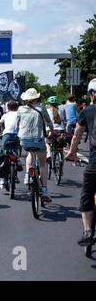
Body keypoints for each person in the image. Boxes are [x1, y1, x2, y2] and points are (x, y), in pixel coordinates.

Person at [65, 78, 96, 246]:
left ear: (92, 95)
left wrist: (72, 152)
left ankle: (87, 232)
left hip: (94, 164)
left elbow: (76, 135)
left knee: (86, 195)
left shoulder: (87, 111)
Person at [16, 88, 54, 201]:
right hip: (38, 139)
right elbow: (49, 123)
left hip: (24, 140)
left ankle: (28, 175)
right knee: (42, 164)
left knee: (29, 154)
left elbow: (17, 125)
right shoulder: (41, 108)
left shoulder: (20, 109)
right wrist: (52, 132)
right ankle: (44, 189)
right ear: (37, 98)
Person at [0, 101, 22, 189]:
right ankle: (17, 161)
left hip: (7, 135)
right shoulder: (19, 114)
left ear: (7, 108)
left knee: (3, 155)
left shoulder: (5, 115)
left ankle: (2, 180)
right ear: (16, 107)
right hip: (17, 135)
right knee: (15, 151)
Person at [45, 96, 65, 162]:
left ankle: (48, 154)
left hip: (50, 130)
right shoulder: (61, 110)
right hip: (60, 130)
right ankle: (61, 159)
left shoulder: (46, 110)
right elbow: (63, 119)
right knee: (60, 145)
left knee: (47, 143)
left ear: (49, 103)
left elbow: (44, 121)